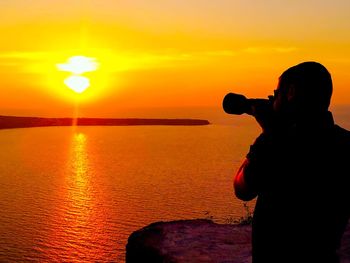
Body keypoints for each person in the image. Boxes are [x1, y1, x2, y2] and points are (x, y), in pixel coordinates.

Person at [233, 61, 350, 263]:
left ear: (291, 92)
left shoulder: (276, 142)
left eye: (276, 93)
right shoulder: (345, 144)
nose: (272, 99)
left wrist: (269, 133)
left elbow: (242, 188)